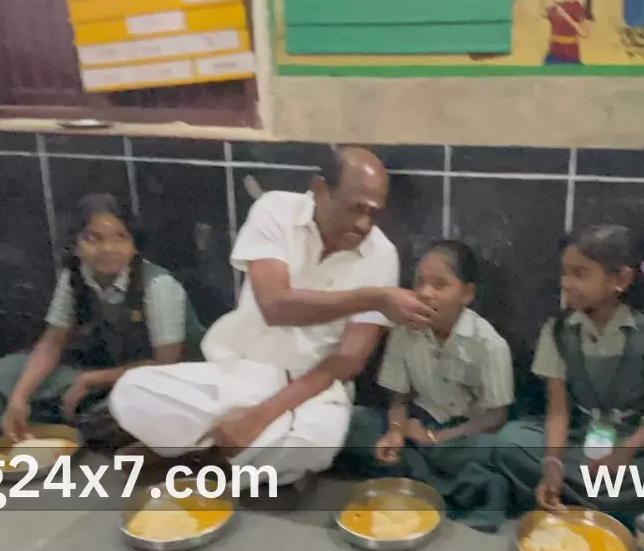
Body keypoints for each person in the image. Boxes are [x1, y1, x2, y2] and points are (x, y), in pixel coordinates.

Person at [108, 146, 435, 488]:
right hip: (243, 373)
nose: (363, 224)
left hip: (313, 390)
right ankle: (234, 460)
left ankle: (203, 456)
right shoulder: (275, 211)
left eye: (373, 213)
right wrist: (374, 297)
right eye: (355, 209)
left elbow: (348, 360)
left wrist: (262, 415)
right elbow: (275, 306)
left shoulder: (382, 255)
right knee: (132, 391)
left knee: (314, 446)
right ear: (320, 189)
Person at [485, 224, 644, 531]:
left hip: (635, 438)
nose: (566, 283)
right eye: (564, 273)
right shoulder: (558, 331)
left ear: (621, 279)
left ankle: (580, 501)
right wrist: (552, 464)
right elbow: (558, 411)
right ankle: (604, 503)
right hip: (580, 435)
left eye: (580, 273)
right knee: (510, 442)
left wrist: (624, 453)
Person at [0, 193, 201, 440]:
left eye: (120, 237)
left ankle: (71, 417)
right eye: (93, 238)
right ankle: (49, 417)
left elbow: (165, 365)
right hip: (105, 369)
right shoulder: (74, 276)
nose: (107, 248)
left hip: (162, 381)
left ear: (134, 245)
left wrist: (91, 380)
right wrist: (19, 397)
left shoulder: (159, 285)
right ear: (75, 244)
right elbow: (52, 343)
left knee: (127, 411)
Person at [335, 241, 517, 528]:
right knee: (353, 422)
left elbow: (495, 418)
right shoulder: (405, 328)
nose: (424, 293)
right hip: (415, 424)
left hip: (461, 436)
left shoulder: (490, 345)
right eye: (419, 282)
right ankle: (438, 484)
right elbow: (399, 396)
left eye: (439, 285)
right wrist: (395, 431)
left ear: (466, 294)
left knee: (492, 452)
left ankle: (416, 479)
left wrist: (436, 438)